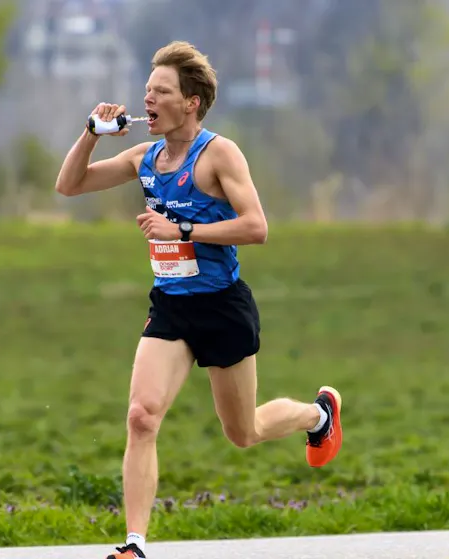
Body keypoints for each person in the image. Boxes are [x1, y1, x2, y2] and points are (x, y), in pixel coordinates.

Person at [54, 40, 344, 559]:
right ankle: (135, 545)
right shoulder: (144, 156)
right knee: (141, 416)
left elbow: (257, 227)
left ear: (190, 102)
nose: (148, 100)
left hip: (222, 306)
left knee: (244, 431)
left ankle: (317, 416)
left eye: (161, 92)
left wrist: (180, 228)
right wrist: (89, 135)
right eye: (146, 91)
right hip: (171, 306)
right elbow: (68, 185)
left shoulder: (220, 154)